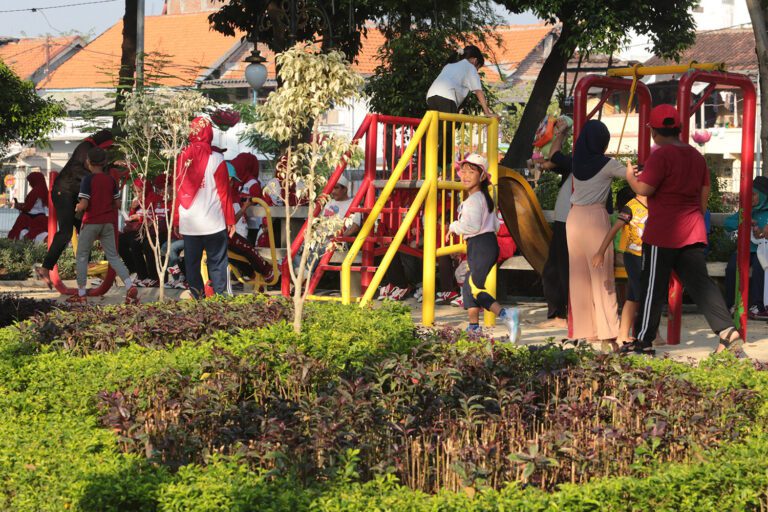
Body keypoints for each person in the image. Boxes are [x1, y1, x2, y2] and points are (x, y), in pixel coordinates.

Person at [623, 104, 745, 356]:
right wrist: (695, 217)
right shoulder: (696, 156)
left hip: (663, 233)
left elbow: (644, 190)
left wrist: (629, 177)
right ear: (678, 128)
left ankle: (643, 340)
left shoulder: (660, 155)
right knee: (701, 284)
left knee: (652, 287)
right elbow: (704, 195)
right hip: (692, 230)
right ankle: (727, 331)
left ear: (654, 132)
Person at [447, 153, 520, 342]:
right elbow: (495, 225)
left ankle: (506, 315)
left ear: (481, 176)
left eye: (471, 172)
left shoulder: (473, 201)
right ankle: (474, 329)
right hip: (484, 245)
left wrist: (453, 226)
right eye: (462, 171)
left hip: (480, 245)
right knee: (468, 288)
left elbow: (471, 227)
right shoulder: (484, 198)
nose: (465, 176)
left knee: (475, 288)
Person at [566, 120, 624, 350]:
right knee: (602, 278)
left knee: (579, 278)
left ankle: (586, 331)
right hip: (594, 219)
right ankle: (608, 334)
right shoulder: (608, 164)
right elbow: (633, 178)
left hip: (573, 220)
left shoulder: (576, 161)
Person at [36, 129, 113, 288]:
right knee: (65, 232)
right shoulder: (85, 148)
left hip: (73, 194)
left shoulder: (90, 150)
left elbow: (93, 170)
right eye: (107, 147)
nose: (107, 151)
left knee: (85, 230)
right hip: (63, 192)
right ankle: (45, 268)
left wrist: (109, 168)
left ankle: (84, 268)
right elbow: (83, 171)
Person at [174, 116, 235, 299]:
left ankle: (198, 300)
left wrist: (177, 220)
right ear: (209, 133)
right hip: (214, 222)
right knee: (217, 263)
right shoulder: (217, 159)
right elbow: (224, 194)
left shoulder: (182, 157)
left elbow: (177, 190)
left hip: (189, 222)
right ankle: (220, 300)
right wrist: (231, 220)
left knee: (192, 264)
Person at [70, 147, 138, 304]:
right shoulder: (110, 180)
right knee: (113, 256)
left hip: (91, 221)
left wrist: (78, 207)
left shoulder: (88, 180)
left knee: (81, 257)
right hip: (108, 223)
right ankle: (129, 285)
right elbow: (117, 203)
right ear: (104, 162)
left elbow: (84, 203)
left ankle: (81, 294)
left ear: (88, 162)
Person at [538, 118, 572, 328]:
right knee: (555, 268)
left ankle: (562, 315)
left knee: (562, 269)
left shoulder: (582, 162)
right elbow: (551, 162)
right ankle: (560, 313)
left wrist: (560, 134)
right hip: (566, 221)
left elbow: (554, 157)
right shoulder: (583, 162)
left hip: (570, 222)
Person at [724, 176, 768, 319]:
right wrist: (745, 220)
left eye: (754, 195)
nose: (751, 198)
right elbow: (728, 223)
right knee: (732, 267)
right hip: (745, 249)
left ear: (763, 196)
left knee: (759, 267)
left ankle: (758, 306)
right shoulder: (746, 209)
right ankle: (731, 304)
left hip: (763, 251)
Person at [8, 172, 48, 241]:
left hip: (29, 218)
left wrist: (18, 207)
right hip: (42, 217)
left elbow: (28, 208)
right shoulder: (44, 191)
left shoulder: (35, 191)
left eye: (30, 181)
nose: (29, 184)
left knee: (18, 232)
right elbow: (36, 204)